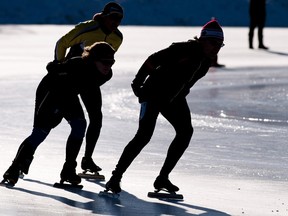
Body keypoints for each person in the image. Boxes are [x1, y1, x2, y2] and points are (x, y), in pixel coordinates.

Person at [105, 20, 225, 194]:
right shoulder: (183, 49)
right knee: (143, 136)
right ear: (202, 40)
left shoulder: (206, 61)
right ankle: (115, 177)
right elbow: (153, 60)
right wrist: (138, 82)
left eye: (220, 45)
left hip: (173, 99)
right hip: (153, 94)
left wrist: (180, 95)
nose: (216, 48)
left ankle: (162, 178)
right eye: (213, 43)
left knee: (185, 132)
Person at [2, 42, 116, 186]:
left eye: (111, 62)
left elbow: (88, 89)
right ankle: (13, 169)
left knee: (80, 125)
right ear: (93, 59)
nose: (108, 66)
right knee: (40, 133)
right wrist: (56, 65)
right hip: (50, 91)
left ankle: (68, 169)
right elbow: (51, 68)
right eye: (104, 62)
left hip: (69, 95)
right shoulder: (77, 64)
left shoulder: (106, 75)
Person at [54, 2, 123, 174]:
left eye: (119, 19)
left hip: (89, 82)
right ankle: (23, 159)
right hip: (70, 79)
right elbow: (61, 43)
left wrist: (99, 79)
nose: (116, 22)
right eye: (113, 17)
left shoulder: (118, 38)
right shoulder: (87, 28)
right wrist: (59, 67)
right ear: (104, 16)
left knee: (96, 118)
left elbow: (107, 60)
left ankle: (87, 159)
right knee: (52, 121)